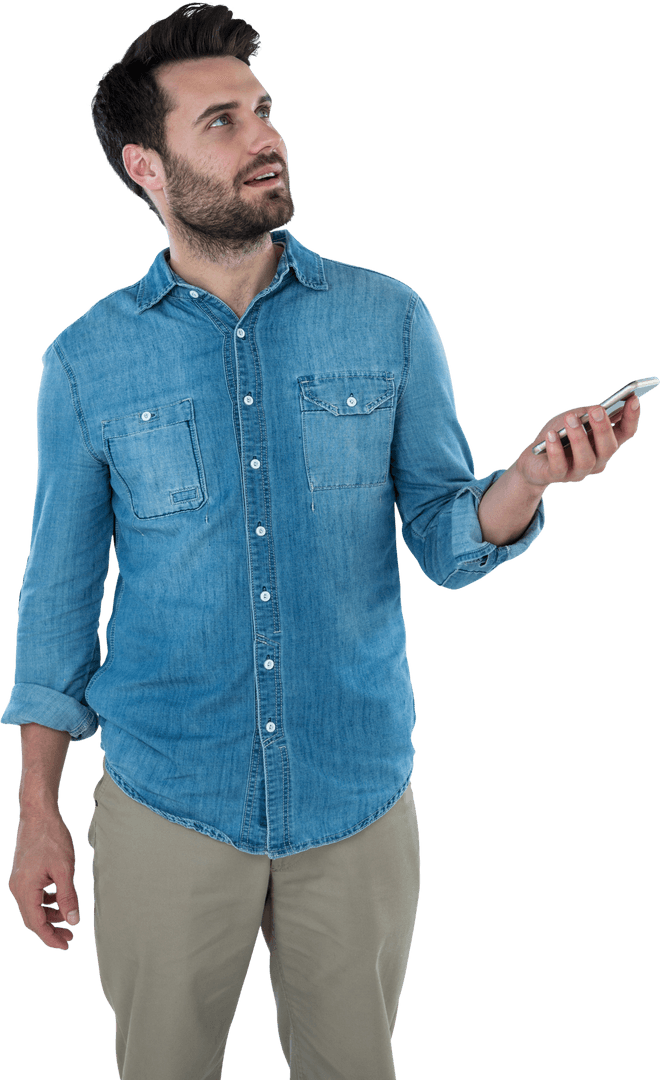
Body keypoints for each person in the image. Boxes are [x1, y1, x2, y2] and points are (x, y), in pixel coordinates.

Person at [2, 4, 643, 1079]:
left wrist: (529, 479)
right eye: (221, 121)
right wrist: (35, 812)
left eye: (264, 110)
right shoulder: (85, 362)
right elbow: (57, 606)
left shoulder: (388, 319)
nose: (266, 137)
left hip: (356, 802)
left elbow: (444, 537)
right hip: (169, 804)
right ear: (145, 167)